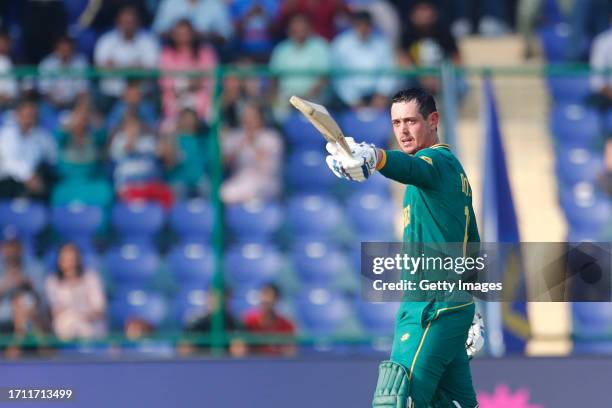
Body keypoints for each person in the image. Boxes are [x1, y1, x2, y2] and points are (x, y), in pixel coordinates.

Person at [324, 88, 482, 407]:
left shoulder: (437, 161)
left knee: (397, 398)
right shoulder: (449, 175)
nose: (403, 131)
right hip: (445, 305)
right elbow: (471, 240)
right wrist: (472, 308)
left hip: (431, 307)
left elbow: (413, 168)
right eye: (396, 123)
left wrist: (375, 156)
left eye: (411, 121)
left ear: (433, 120)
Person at [269, 13, 331, 120]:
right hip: (286, 97)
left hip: (314, 98)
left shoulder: (320, 46)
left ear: (309, 29)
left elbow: (323, 78)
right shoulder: (281, 49)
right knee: (277, 111)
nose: (299, 33)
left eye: (303, 29)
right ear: (289, 31)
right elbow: (274, 78)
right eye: (296, 30)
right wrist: (274, 97)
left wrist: (304, 99)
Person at [330, 10, 396, 109]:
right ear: (353, 25)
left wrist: (382, 94)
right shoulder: (340, 44)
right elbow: (338, 76)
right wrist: (352, 99)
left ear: (371, 26)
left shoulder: (382, 44)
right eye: (359, 25)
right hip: (347, 99)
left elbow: (389, 71)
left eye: (366, 25)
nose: (363, 28)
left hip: (377, 97)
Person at [220, 103, 283, 204]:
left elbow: (270, 168)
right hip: (241, 179)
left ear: (260, 118)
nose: (248, 120)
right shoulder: (235, 136)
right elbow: (223, 164)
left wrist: (253, 144)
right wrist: (236, 149)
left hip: (266, 181)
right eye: (245, 117)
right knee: (223, 193)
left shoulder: (271, 138)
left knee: (253, 194)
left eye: (252, 117)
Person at [94, 6, 159, 102]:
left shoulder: (148, 41)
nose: (127, 26)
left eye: (131, 22)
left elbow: (151, 69)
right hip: (110, 94)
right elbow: (100, 68)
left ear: (137, 23)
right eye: (124, 22)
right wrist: (135, 67)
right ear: (117, 22)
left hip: (142, 95)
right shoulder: (106, 40)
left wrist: (116, 66)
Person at [159, 19, 218, 123]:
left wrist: (197, 82)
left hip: (202, 103)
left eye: (186, 33)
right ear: (174, 35)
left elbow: (211, 79)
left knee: (212, 114)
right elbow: (165, 82)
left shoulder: (205, 53)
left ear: (193, 34)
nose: (183, 37)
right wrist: (189, 82)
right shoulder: (167, 54)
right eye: (180, 34)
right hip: (175, 102)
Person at [109, 114, 174, 208]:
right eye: (129, 126)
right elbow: (128, 147)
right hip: (128, 186)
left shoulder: (148, 141)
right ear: (123, 127)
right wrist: (131, 138)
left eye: (135, 125)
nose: (133, 128)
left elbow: (162, 153)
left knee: (167, 194)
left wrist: (165, 139)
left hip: (149, 184)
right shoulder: (119, 140)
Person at [45, 243, 107, 341]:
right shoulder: (52, 281)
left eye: (73, 259)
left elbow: (99, 308)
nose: (71, 264)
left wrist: (83, 317)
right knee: (67, 323)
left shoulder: (91, 278)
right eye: (66, 260)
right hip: (65, 326)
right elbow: (55, 310)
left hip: (90, 325)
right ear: (60, 262)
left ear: (79, 260)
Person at [0, 98, 57, 201]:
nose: (29, 119)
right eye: (26, 115)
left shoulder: (42, 136)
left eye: (33, 115)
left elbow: (52, 157)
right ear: (17, 115)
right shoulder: (7, 134)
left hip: (35, 180)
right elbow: (9, 161)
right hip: (8, 182)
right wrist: (28, 176)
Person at [160, 108, 209, 198]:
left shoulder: (202, 141)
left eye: (191, 118)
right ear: (180, 120)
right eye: (186, 118)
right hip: (179, 181)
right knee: (179, 189)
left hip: (199, 180)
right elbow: (169, 163)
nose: (189, 121)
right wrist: (171, 140)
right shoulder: (173, 139)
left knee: (207, 186)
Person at [38, 36, 90, 113]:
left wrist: (78, 106)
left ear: (72, 50)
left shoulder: (80, 62)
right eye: (62, 50)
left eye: (67, 50)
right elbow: (44, 92)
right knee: (43, 108)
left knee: (86, 106)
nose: (65, 53)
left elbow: (82, 91)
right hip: (51, 104)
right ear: (56, 50)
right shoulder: (47, 64)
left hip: (73, 103)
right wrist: (55, 103)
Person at [243, 283, 296, 355]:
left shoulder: (287, 325)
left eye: (270, 296)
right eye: (264, 295)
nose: (266, 300)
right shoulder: (248, 321)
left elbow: (290, 351)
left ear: (277, 299)